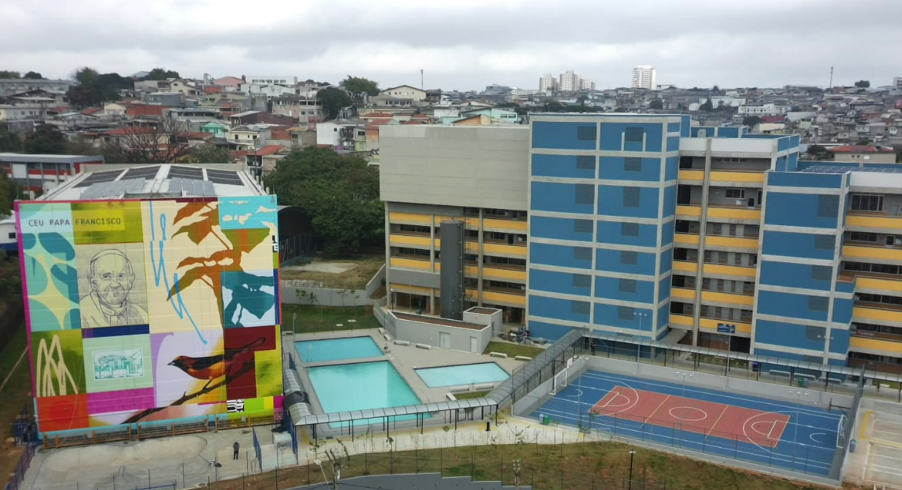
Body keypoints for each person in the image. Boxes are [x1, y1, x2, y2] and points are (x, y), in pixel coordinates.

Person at [80, 249, 149, 328]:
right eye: (106, 277)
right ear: (93, 283)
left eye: (121, 276)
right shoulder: (80, 314)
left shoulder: (142, 315)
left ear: (131, 280)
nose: (115, 284)